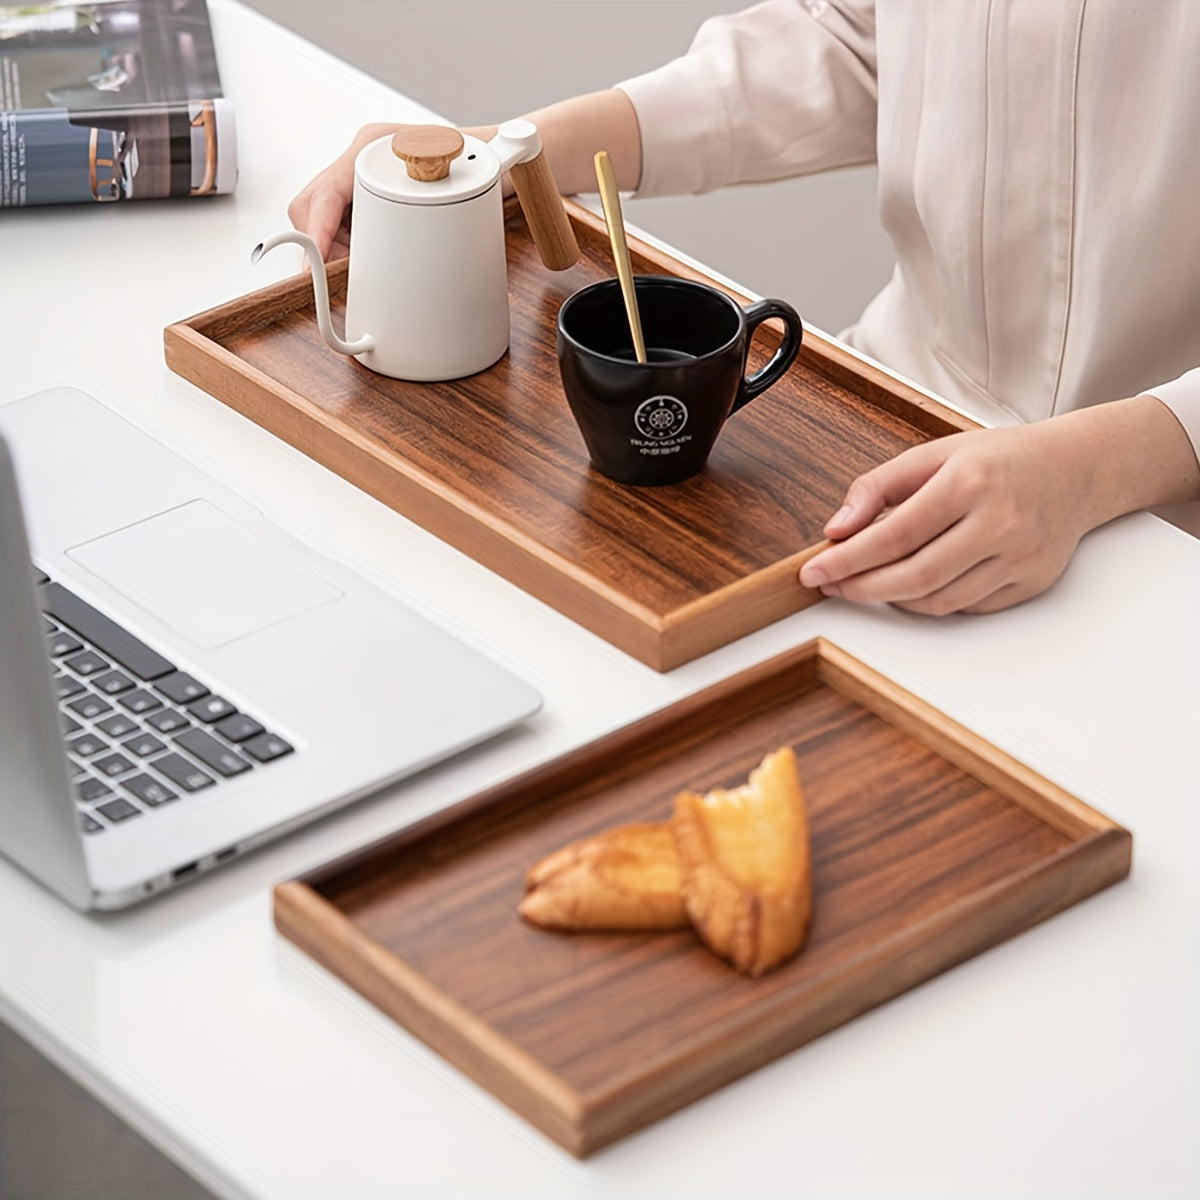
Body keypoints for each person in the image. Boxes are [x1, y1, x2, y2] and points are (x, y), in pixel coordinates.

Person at [288, 1, 1200, 616]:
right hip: (894, 422)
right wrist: (524, 155)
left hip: (1166, 513)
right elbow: (851, 41)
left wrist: (1097, 467)